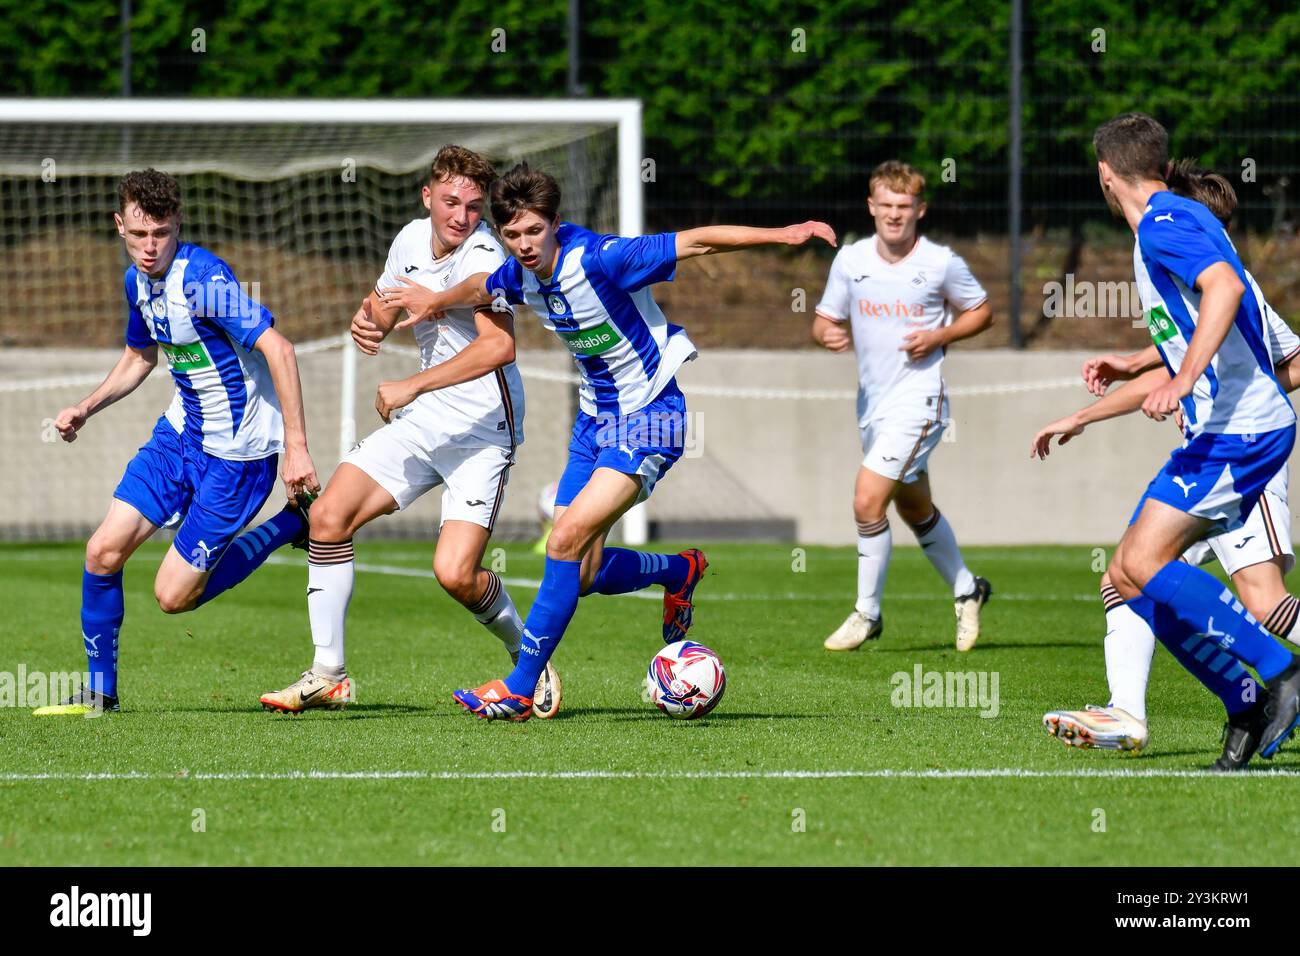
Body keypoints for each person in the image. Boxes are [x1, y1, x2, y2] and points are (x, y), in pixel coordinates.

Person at [358, 162, 835, 720]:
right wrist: (434, 302)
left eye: (534, 231)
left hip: (653, 415)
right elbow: (482, 285)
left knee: (562, 541)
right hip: (594, 423)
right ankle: (677, 572)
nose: (524, 245)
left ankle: (518, 687)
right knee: (581, 573)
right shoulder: (519, 273)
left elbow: (698, 243)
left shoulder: (603, 258)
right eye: (511, 235)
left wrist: (784, 235)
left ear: (555, 224)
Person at [258, 146, 562, 717]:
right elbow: (385, 303)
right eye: (451, 201)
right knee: (328, 516)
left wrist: (412, 385)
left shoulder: (483, 255)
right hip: (424, 423)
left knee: (455, 574)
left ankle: (529, 660)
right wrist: (368, 317)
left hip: (480, 431)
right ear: (428, 197)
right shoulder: (408, 239)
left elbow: (499, 346)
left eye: (474, 206)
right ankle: (328, 673)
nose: (462, 215)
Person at [36, 168, 318, 716]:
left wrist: (297, 449)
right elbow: (140, 356)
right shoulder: (135, 282)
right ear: (120, 226)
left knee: (173, 596)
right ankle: (100, 692)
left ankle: (294, 522)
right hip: (181, 435)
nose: (149, 247)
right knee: (102, 552)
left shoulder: (203, 282)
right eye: (139, 234)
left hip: (237, 455)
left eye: (160, 234)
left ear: (177, 226)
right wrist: (86, 407)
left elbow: (281, 350)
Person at [813, 161, 994, 653]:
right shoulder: (850, 261)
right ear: (872, 207)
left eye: (904, 207)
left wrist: (941, 334)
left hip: (920, 401)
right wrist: (828, 332)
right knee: (914, 508)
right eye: (886, 206)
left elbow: (981, 312)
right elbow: (823, 319)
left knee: (867, 501)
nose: (895, 215)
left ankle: (866, 613)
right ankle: (967, 589)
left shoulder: (939, 263)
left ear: (920, 209)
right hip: (872, 404)